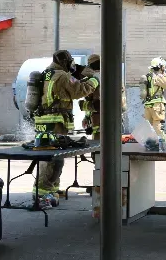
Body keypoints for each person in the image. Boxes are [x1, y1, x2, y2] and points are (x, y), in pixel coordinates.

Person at [33, 50, 99, 200]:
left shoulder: (48, 73)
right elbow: (78, 91)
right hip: (55, 122)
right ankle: (42, 193)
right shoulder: (61, 75)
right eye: (70, 63)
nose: (72, 66)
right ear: (64, 62)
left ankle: (52, 188)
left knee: (55, 157)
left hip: (47, 121)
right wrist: (95, 80)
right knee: (50, 159)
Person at [79, 54, 127, 141]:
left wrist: (83, 107)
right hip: (115, 119)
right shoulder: (115, 77)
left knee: (99, 148)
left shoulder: (93, 80)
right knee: (113, 146)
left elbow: (95, 103)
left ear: (90, 66)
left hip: (99, 122)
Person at [141, 57, 166, 137]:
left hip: (148, 105)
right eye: (162, 66)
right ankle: (161, 144)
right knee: (157, 125)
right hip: (157, 105)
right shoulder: (158, 77)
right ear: (159, 67)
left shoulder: (148, 76)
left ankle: (150, 144)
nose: (164, 68)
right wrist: (164, 74)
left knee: (149, 126)